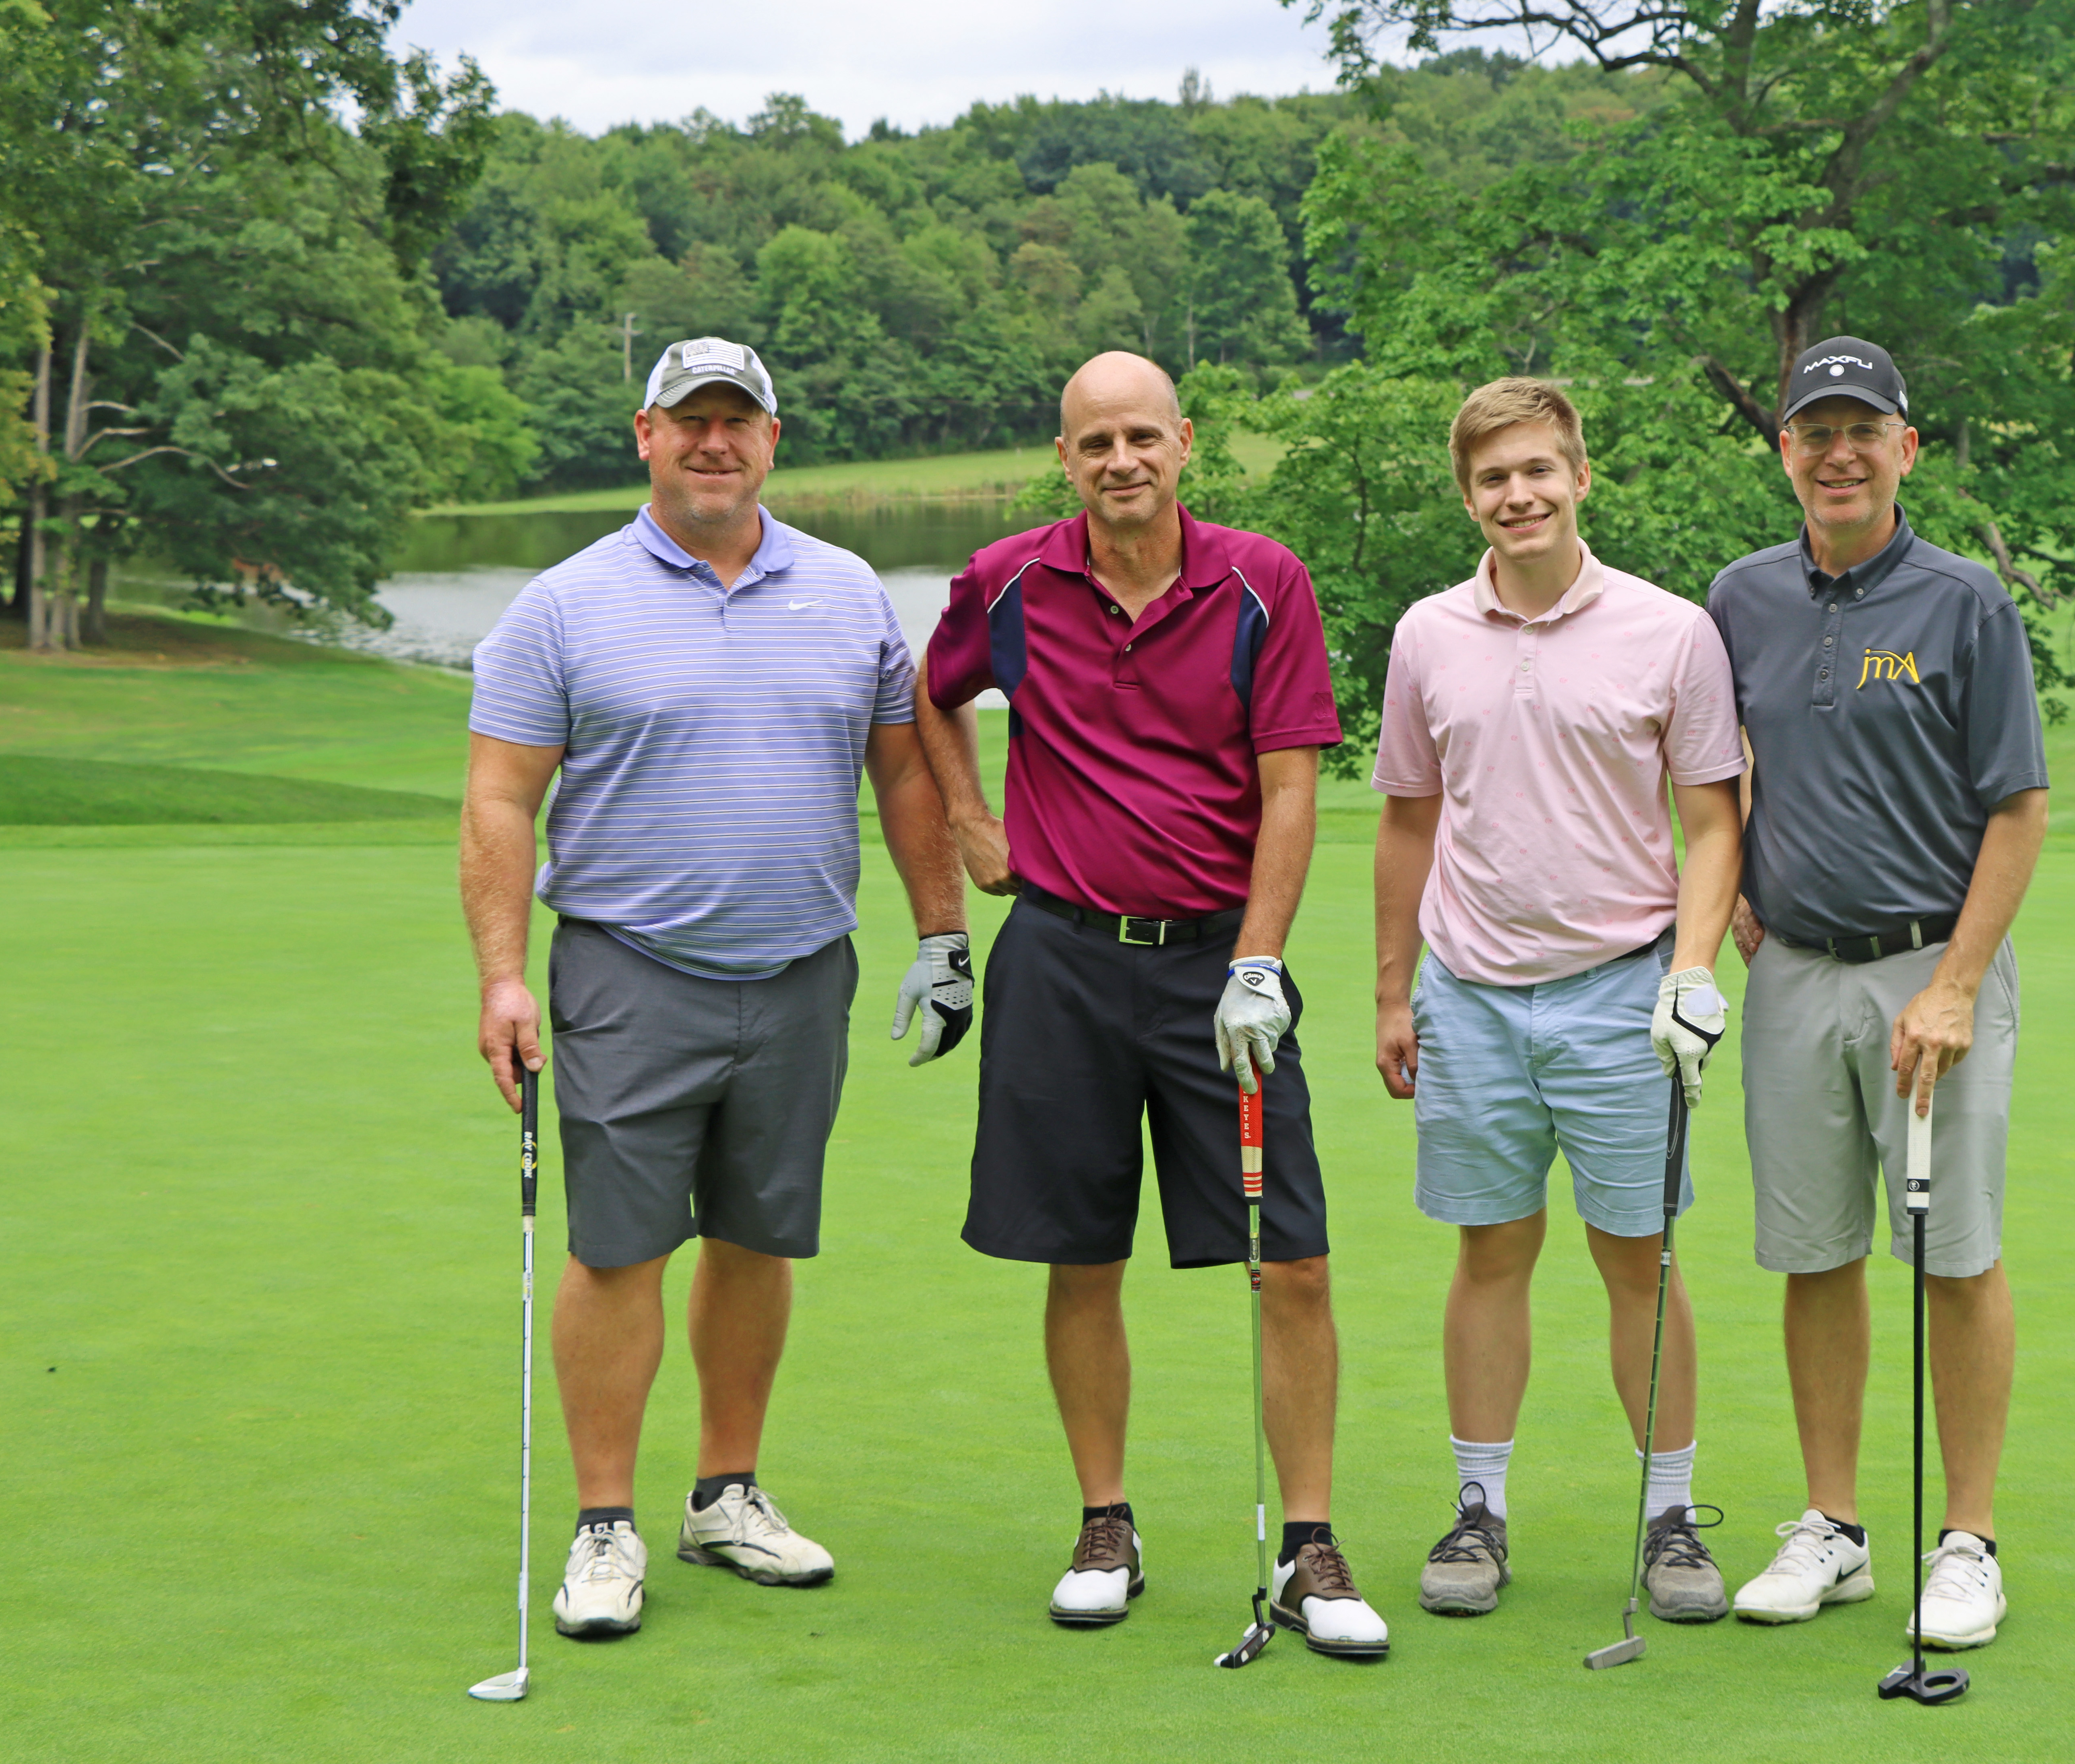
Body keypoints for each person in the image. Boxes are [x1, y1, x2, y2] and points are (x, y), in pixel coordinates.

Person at [461, 337, 969, 1640]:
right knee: (619, 1246)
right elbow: (501, 799)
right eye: (691, 420)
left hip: (801, 971)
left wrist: (941, 933)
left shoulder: (851, 591)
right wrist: (506, 978)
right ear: (646, 433)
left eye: (738, 421)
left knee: (759, 1236)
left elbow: (906, 774)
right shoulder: (565, 605)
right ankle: (604, 1523)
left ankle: (725, 1494)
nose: (714, 442)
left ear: (772, 441)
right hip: (631, 972)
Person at [913, 352, 1388, 1657]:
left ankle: (1308, 1545)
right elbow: (929, 692)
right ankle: (1105, 1520)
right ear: (1064, 460)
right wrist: (964, 811)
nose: (1121, 461)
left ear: (1184, 444)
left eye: (1142, 438)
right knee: (1083, 1251)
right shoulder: (1010, 580)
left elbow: (1292, 785)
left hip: (1215, 967)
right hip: (1061, 958)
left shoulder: (1260, 580)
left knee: (1289, 1254)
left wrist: (1259, 958)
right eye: (1094, 444)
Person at [1371, 378, 1748, 1624]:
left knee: (1638, 1259)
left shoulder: (1671, 631)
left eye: (1539, 470)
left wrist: (1692, 972)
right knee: (1491, 1253)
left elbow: (1711, 822)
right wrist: (1391, 994)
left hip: (1620, 995)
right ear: (1469, 496)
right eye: (1492, 479)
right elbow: (1409, 824)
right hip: (1470, 997)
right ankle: (1480, 1511)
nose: (1518, 495)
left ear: (1582, 476)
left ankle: (1670, 1519)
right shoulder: (1428, 633)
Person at [1708, 336, 2049, 1649]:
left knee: (1953, 1255)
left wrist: (1957, 985)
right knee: (1813, 1254)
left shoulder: (1966, 602)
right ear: (1784, 451)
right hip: (1792, 972)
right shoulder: (1738, 598)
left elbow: (2017, 811)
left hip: (1931, 970)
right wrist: (1732, 896)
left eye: (1865, 430)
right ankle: (1835, 1530)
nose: (1838, 452)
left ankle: (1967, 1542)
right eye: (1815, 430)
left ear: (1907, 450)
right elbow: (1711, 776)